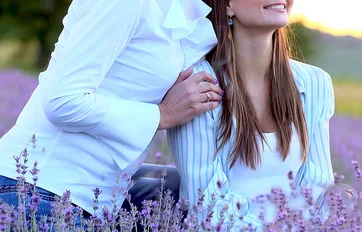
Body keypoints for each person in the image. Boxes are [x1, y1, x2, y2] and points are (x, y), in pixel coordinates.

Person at [0, 0, 223, 222]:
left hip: (95, 202)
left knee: (183, 188)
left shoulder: (171, 9)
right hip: (39, 194)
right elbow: (62, 101)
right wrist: (163, 114)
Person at [167, 0, 347, 229]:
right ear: (227, 5)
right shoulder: (198, 85)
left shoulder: (315, 84)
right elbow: (207, 209)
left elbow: (317, 189)